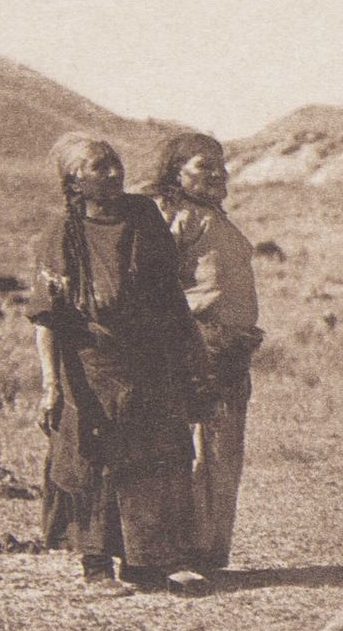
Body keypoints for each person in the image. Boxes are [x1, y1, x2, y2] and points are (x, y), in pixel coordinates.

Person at [27, 134, 212, 594]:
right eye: (99, 166)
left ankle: (144, 561)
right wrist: (51, 386)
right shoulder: (63, 232)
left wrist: (190, 354)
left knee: (155, 454)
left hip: (150, 359)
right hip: (92, 364)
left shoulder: (143, 215)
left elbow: (170, 294)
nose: (115, 172)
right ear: (75, 180)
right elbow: (47, 318)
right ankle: (96, 567)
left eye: (116, 162)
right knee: (96, 460)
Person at [145, 129, 263, 574]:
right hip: (193, 346)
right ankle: (177, 553)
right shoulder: (172, 215)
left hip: (231, 348)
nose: (217, 174)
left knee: (221, 451)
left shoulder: (214, 217)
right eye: (203, 166)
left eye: (220, 165)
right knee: (190, 449)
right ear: (176, 171)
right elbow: (154, 282)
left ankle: (209, 552)